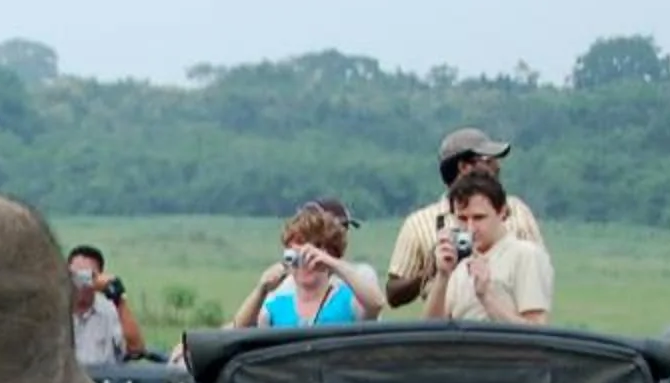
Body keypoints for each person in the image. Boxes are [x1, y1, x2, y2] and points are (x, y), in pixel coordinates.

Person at [384, 128, 546, 310]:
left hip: (508, 330)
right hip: (448, 331)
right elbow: (393, 294)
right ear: (464, 167)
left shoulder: (517, 211)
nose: (497, 166)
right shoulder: (419, 224)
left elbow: (540, 278)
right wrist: (432, 271)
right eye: (488, 161)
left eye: (480, 218)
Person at [423, 170, 553, 324]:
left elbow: (536, 332)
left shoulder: (526, 256)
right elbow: (432, 331)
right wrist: (443, 276)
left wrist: (486, 297)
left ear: (502, 212)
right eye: (462, 219)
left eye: (479, 218)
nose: (470, 228)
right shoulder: (459, 265)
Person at [234, 202, 386, 327]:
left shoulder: (348, 300)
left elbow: (376, 303)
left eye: (316, 246)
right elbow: (240, 330)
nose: (306, 257)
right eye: (298, 246)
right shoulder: (276, 307)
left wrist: (330, 263)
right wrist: (261, 289)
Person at [66, 245, 143, 363]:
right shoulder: (53, 313)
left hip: (100, 380)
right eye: (75, 275)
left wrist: (119, 298)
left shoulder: (111, 311)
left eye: (87, 276)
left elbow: (136, 350)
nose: (81, 282)